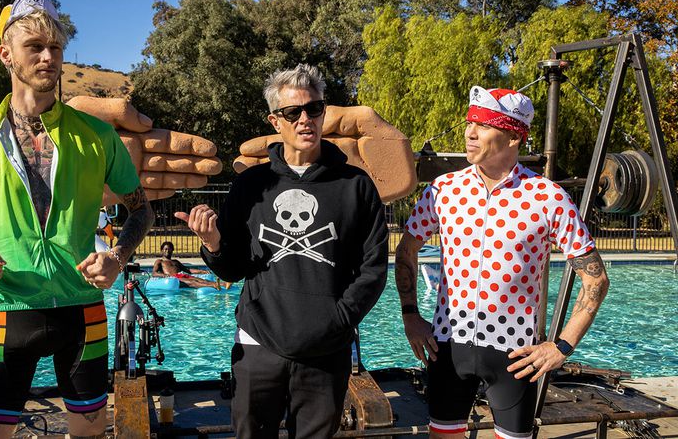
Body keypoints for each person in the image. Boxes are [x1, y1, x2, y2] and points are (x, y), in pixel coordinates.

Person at [0, 0, 154, 438]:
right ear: (6, 54)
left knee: (91, 435)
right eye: (34, 46)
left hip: (85, 313)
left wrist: (117, 256)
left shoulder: (95, 134)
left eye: (56, 48)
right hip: (10, 308)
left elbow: (141, 210)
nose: (48, 57)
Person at [176, 63, 388, 438]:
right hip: (259, 344)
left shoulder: (356, 185)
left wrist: (338, 321)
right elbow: (234, 268)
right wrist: (212, 243)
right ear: (276, 121)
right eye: (293, 112)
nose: (305, 119)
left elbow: (372, 269)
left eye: (315, 109)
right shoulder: (252, 186)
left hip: (327, 350)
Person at [395, 86, 610, 439]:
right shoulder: (442, 190)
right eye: (469, 123)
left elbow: (595, 280)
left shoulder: (547, 197)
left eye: (482, 125)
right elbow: (405, 252)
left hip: (516, 354)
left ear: (513, 137)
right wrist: (410, 316)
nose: (469, 132)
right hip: (448, 347)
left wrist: (562, 346)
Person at [152, 241, 223, 289]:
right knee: (193, 282)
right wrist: (164, 275)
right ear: (162, 250)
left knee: (199, 279)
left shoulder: (175, 261)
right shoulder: (160, 261)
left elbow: (188, 270)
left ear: (172, 250)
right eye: (165, 249)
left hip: (181, 275)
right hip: (174, 278)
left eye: (169, 249)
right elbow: (154, 273)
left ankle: (222, 284)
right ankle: (214, 285)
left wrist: (202, 271)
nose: (167, 251)